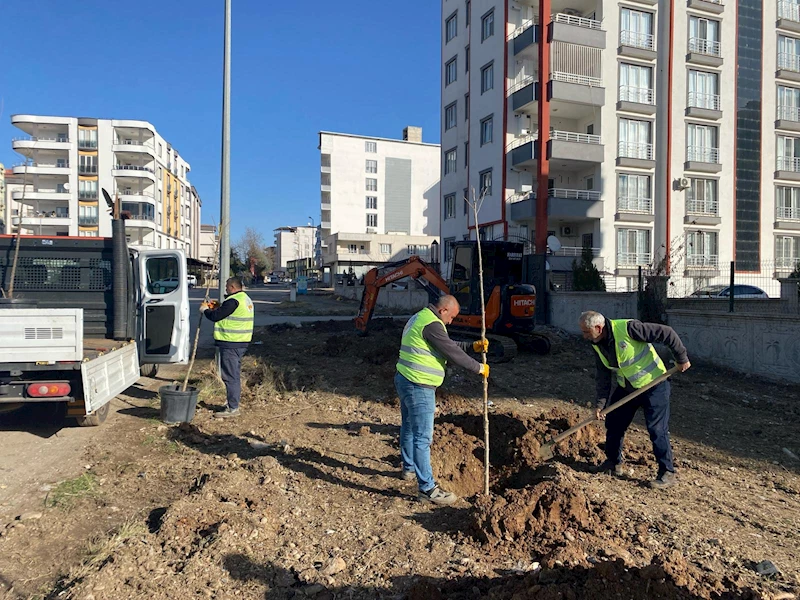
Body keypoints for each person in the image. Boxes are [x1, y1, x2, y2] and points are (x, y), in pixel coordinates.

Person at [578, 311, 691, 490]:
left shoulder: (629, 328)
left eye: (586, 332)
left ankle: (667, 472)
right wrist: (601, 404)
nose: (584, 336)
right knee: (614, 422)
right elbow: (603, 376)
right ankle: (613, 463)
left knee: (657, 429)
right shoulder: (597, 343)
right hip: (628, 388)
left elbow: (666, 333)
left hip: (654, 385)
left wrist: (681, 357)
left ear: (598, 328)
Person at [395, 295, 490, 505]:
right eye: (452, 317)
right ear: (444, 310)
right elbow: (451, 352)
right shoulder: (432, 323)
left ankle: (409, 469)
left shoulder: (422, 317)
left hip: (405, 379)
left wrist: (472, 346)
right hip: (419, 385)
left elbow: (446, 344)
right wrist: (478, 367)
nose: (451, 322)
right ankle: (427, 489)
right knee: (422, 437)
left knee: (409, 428)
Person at [200, 277, 254, 418]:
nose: (225, 289)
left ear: (232, 287)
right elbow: (226, 311)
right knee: (233, 375)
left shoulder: (233, 301)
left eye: (226, 286)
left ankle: (233, 408)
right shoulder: (244, 298)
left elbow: (216, 316)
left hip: (232, 343)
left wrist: (205, 310)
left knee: (230, 376)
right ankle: (232, 403)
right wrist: (218, 306)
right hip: (240, 342)